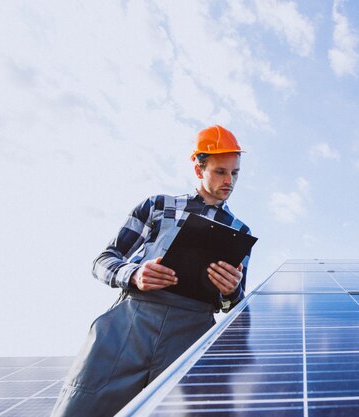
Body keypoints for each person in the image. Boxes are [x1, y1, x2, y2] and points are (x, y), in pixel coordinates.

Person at [51, 125, 252, 417]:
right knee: (81, 407)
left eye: (235, 174)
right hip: (129, 327)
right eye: (221, 172)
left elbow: (231, 306)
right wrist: (133, 275)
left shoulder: (240, 232)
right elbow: (104, 260)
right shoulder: (158, 206)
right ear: (199, 170)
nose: (229, 181)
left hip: (191, 336)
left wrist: (230, 290)